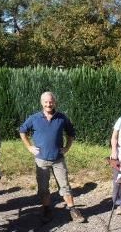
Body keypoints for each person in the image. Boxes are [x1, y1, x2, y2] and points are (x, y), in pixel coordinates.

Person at [19, 91, 85, 223]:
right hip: (41, 159)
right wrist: (29, 147)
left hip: (58, 159)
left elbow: (71, 134)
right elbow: (22, 131)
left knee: (65, 185)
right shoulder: (34, 118)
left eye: (51, 102)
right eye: (46, 102)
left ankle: (72, 209)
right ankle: (47, 209)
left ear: (54, 102)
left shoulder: (62, 118)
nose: (48, 104)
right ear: (42, 103)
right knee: (43, 187)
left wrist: (67, 147)